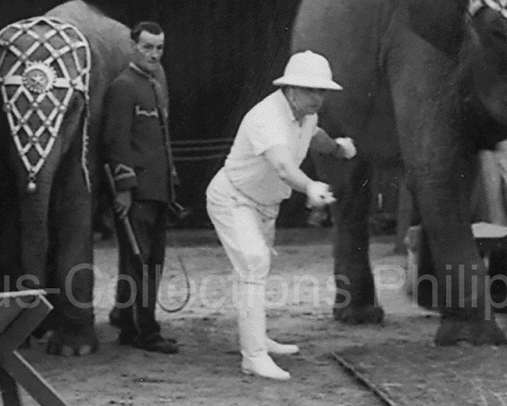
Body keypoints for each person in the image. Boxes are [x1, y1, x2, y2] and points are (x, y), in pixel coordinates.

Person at [205, 51, 356, 380]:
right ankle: (253, 356)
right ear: (290, 89)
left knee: (253, 269)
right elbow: (285, 167)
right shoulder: (266, 118)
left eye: (322, 91)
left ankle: (258, 339)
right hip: (233, 198)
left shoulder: (307, 115)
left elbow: (314, 137)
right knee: (255, 262)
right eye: (310, 90)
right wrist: (311, 186)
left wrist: (337, 147)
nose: (318, 97)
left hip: (265, 205)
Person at [102, 21, 180, 355]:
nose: (153, 54)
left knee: (151, 262)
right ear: (133, 47)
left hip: (157, 190)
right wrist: (124, 188)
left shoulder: (154, 86)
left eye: (159, 48)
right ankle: (143, 332)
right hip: (137, 193)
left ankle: (128, 320)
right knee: (140, 262)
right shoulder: (124, 86)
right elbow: (115, 141)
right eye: (147, 47)